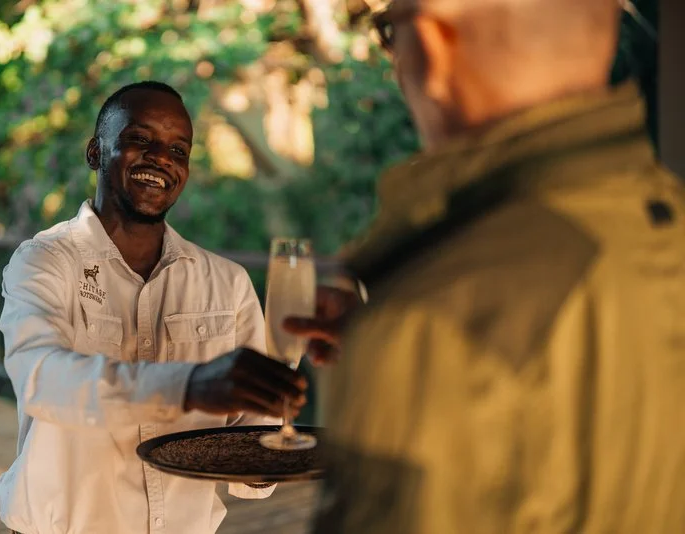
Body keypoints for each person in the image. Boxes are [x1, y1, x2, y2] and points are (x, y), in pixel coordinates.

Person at [287, 0, 685, 532]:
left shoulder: (433, 320)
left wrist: (405, 347)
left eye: (388, 33)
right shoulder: (659, 222)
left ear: (432, 43)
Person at [0, 80, 307, 534]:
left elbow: (251, 449)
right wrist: (189, 385)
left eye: (179, 150)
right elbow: (42, 378)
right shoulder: (44, 261)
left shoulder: (228, 282)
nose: (162, 158)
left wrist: (282, 398)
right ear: (95, 153)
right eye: (139, 139)